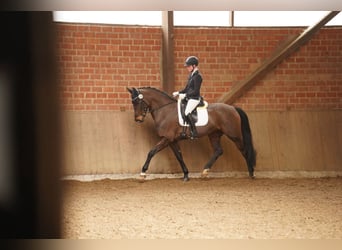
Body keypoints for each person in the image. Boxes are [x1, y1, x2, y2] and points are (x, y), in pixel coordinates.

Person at [173, 56, 202, 139]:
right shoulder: (191, 76)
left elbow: (196, 91)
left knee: (187, 112)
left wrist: (185, 95)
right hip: (189, 97)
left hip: (194, 99)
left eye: (189, 66)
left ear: (194, 66)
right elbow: (186, 89)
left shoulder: (198, 77)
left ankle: (194, 132)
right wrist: (178, 92)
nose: (187, 68)